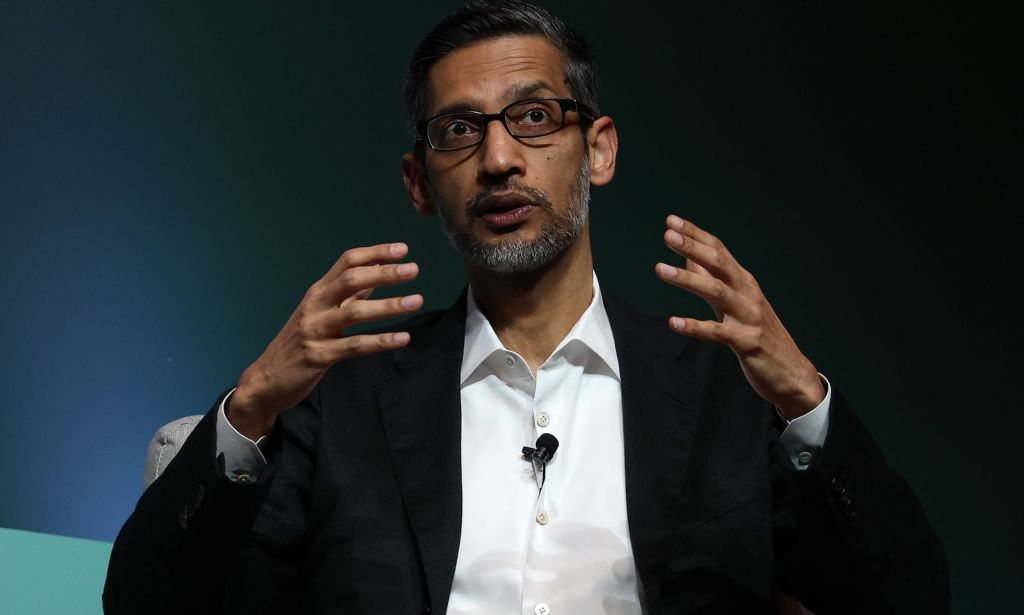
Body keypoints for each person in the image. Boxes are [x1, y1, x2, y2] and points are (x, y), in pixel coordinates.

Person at [104, 2, 948, 613]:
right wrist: (249, 408)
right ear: (419, 183)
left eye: (534, 118)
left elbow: (906, 597)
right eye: (460, 132)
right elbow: (146, 603)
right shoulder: (342, 402)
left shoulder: (729, 390)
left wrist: (804, 399)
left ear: (600, 149)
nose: (500, 157)